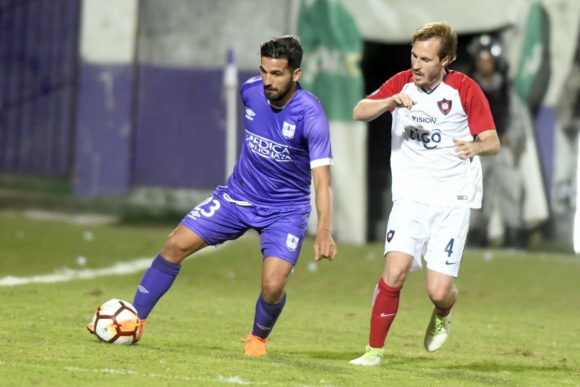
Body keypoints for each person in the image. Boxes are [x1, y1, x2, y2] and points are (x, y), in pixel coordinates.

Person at [87, 35, 337, 356]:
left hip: (284, 212)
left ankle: (257, 338)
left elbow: (322, 180)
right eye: (263, 71)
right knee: (174, 244)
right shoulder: (250, 92)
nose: (267, 81)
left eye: (277, 74)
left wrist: (325, 230)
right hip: (237, 196)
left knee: (273, 286)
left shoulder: (311, 116)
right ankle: (134, 319)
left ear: (296, 74)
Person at [349, 22, 500, 366]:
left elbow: (492, 141)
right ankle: (373, 352)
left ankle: (444, 310)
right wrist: (388, 101)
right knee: (395, 270)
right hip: (410, 196)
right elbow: (359, 111)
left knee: (437, 289)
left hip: (452, 200)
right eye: (414, 56)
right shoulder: (402, 83)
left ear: (446, 59)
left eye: (426, 59)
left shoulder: (464, 89)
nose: (417, 64)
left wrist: (474, 146)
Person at [468, 35, 524, 248]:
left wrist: (509, 135)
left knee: (510, 189)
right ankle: (474, 237)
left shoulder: (506, 88)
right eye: (481, 59)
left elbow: (516, 116)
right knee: (475, 194)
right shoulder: (469, 88)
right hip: (478, 150)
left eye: (488, 59)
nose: (485, 64)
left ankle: (513, 237)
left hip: (501, 148)